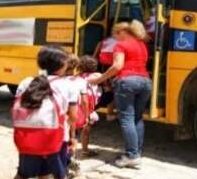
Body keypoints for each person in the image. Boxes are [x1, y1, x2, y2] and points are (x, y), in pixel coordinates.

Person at [90, 19, 152, 168]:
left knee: (127, 119)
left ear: (122, 32)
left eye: (115, 35)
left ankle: (132, 155)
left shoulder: (121, 45)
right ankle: (136, 152)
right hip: (145, 82)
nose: (115, 38)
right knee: (137, 118)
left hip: (127, 82)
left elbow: (117, 66)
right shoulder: (142, 45)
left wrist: (100, 79)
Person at [14, 46, 78, 179]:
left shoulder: (26, 82)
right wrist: (73, 137)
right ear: (62, 64)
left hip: (28, 137)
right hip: (57, 139)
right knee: (52, 175)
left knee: (23, 174)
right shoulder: (69, 85)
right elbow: (73, 116)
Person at [76, 56, 102, 158]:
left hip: (76, 105)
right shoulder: (96, 75)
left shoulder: (77, 77)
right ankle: (85, 151)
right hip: (88, 106)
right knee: (86, 131)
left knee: (71, 130)